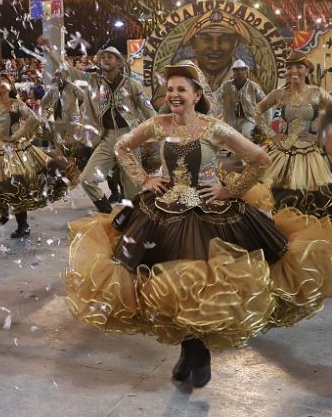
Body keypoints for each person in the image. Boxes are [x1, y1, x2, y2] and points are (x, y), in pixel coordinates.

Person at [64, 60, 332, 389]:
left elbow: (260, 159)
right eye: (171, 88)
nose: (174, 94)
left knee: (201, 282)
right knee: (169, 282)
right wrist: (144, 178)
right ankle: (189, 349)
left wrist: (229, 189)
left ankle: (199, 351)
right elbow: (122, 146)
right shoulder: (158, 123)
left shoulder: (213, 127)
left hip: (209, 212)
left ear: (196, 95)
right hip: (161, 211)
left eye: (182, 89)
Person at [47, 45, 156, 213]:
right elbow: (68, 70)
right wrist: (51, 51)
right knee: (87, 179)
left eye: (110, 57)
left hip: (130, 139)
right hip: (107, 138)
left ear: (119, 62)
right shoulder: (92, 81)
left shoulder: (132, 85)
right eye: (103, 56)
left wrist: (156, 135)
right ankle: (108, 214)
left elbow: (150, 112)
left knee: (132, 190)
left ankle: (131, 224)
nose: (105, 59)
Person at [0, 74, 72, 238]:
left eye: (4, 82)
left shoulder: (17, 104)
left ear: (11, 87)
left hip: (15, 151)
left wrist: (15, 136)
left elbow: (33, 119)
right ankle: (5, 211)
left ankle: (23, 224)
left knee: (17, 187)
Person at [253, 51, 332, 216]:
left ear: (308, 70)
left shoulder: (317, 92)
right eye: (289, 67)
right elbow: (256, 111)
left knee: (313, 197)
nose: (293, 71)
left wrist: (318, 135)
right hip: (281, 151)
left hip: (311, 154)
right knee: (276, 194)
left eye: (299, 66)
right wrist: (271, 134)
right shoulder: (279, 93)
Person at [214, 59, 266, 139]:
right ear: (233, 71)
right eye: (237, 70)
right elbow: (216, 97)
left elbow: (265, 101)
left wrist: (263, 121)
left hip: (248, 119)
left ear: (246, 70)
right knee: (227, 140)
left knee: (247, 134)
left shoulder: (253, 86)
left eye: (242, 69)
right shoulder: (226, 86)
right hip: (230, 120)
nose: (239, 72)